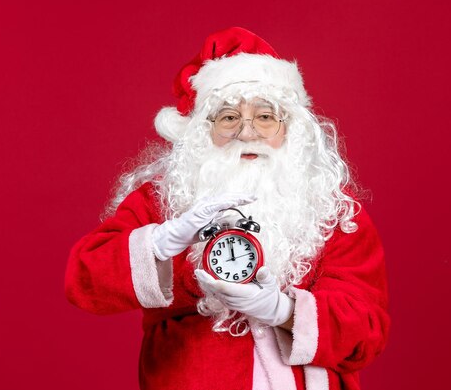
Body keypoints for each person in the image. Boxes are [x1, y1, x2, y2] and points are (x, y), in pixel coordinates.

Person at [65, 27, 389, 390]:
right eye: (229, 117)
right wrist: (161, 244)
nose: (247, 133)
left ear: (292, 128)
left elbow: (368, 330)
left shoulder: (332, 208)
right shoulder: (163, 198)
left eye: (265, 117)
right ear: (202, 129)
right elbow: (84, 280)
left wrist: (285, 312)